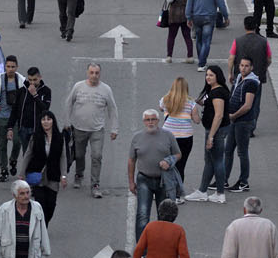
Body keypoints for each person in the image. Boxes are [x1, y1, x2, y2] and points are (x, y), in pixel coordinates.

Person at [65, 63, 119, 198]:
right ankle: (79, 174)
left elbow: (112, 108)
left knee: (97, 156)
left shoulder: (106, 89)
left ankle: (95, 184)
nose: (94, 75)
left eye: (96, 73)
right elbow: (69, 103)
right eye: (92, 72)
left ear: (100, 74)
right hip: (79, 128)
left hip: (97, 129)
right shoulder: (78, 86)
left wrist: (114, 128)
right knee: (79, 155)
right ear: (87, 73)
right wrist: (66, 122)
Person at [127, 109, 182, 241]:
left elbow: (178, 154)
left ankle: (162, 245)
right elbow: (131, 160)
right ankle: (142, 248)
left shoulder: (168, 136)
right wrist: (131, 182)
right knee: (142, 214)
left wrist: (169, 161)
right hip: (143, 179)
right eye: (147, 119)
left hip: (163, 181)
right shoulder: (137, 137)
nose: (150, 122)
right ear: (144, 121)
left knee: (164, 215)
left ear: (158, 120)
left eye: (153, 119)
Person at [186, 65, 231, 203]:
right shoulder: (215, 90)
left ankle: (219, 193)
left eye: (211, 75)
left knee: (216, 161)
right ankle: (203, 190)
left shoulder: (218, 93)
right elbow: (207, 104)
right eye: (207, 75)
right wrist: (193, 101)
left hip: (215, 130)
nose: (208, 77)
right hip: (215, 130)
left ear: (218, 76)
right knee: (210, 161)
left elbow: (218, 115)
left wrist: (211, 136)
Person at [221, 58, 260, 194]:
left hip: (243, 121)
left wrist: (233, 115)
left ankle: (244, 182)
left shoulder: (251, 83)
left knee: (242, 152)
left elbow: (247, 106)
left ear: (251, 68)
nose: (243, 68)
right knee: (228, 150)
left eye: (246, 66)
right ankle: (223, 179)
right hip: (234, 120)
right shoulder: (239, 78)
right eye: (242, 65)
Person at [22, 111, 69, 222]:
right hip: (37, 176)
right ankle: (42, 230)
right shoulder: (35, 137)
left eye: (49, 119)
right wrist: (22, 173)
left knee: (51, 205)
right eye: (43, 119)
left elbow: (63, 157)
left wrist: (63, 176)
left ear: (53, 121)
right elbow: (28, 154)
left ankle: (44, 225)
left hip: (53, 176)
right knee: (40, 204)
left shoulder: (59, 138)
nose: (46, 122)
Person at [158, 76, 199, 193]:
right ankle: (177, 193)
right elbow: (196, 120)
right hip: (185, 137)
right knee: (181, 165)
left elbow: (161, 108)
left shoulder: (166, 99)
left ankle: (163, 190)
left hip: (168, 136)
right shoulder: (191, 103)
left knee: (166, 162)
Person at [229, 18, 271, 125]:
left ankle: (237, 120)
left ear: (244, 26)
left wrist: (230, 73)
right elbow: (269, 59)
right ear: (256, 26)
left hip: (240, 76)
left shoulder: (237, 41)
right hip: (258, 76)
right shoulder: (263, 41)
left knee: (238, 98)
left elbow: (231, 58)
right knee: (255, 102)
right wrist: (264, 68)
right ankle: (251, 125)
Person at [187, 0, 229, 71]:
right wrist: (225, 16)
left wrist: (188, 17)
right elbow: (221, 3)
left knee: (198, 39)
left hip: (196, 16)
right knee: (207, 40)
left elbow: (189, 3)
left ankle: (201, 60)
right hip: (209, 17)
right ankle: (202, 63)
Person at [0, 57, 24, 181]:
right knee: (2, 144)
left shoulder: (21, 80)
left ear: (16, 67)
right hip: (1, 117)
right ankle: (4, 169)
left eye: (13, 67)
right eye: (8, 66)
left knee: (17, 142)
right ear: (5, 67)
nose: (10, 69)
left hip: (16, 118)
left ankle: (13, 159)